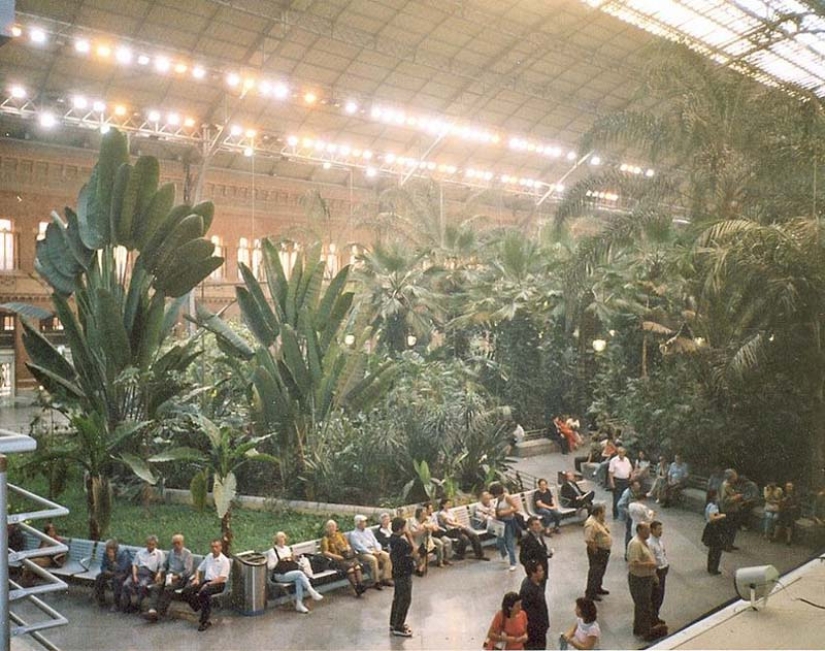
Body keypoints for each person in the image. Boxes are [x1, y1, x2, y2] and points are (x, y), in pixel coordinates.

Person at [265, 531, 323, 613]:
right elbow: (270, 566)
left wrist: (292, 559)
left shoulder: (287, 548)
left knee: (299, 579)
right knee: (300, 574)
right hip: (279, 575)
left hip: (290, 571)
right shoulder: (272, 551)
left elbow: (292, 561)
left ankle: (299, 604)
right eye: (280, 539)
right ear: (276, 540)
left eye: (283, 538)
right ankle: (311, 591)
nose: (282, 541)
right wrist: (280, 561)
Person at [626, 522, 664, 641]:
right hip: (639, 580)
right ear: (640, 530)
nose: (649, 532)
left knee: (643, 605)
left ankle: (639, 628)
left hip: (647, 578)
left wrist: (654, 576)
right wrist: (651, 564)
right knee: (644, 605)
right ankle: (645, 631)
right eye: (647, 530)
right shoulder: (636, 544)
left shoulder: (645, 542)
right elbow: (634, 563)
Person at [182, 539, 230, 632]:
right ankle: (199, 607)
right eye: (212, 547)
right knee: (187, 591)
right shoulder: (209, 557)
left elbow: (222, 578)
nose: (214, 549)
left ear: (220, 548)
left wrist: (208, 584)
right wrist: (196, 579)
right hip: (207, 581)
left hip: (218, 584)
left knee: (204, 592)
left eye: (216, 547)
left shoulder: (224, 561)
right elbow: (199, 569)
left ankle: (204, 621)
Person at [145, 533, 194, 621]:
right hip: (169, 576)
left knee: (168, 589)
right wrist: (160, 572)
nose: (176, 545)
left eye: (178, 543)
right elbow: (164, 565)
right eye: (174, 543)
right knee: (156, 587)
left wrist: (177, 576)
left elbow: (188, 571)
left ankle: (160, 613)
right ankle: (152, 610)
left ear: (182, 543)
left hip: (180, 579)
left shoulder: (187, 554)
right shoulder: (171, 552)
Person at [320, 519, 367, 596]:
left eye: (333, 526)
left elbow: (347, 544)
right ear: (327, 528)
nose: (332, 528)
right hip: (335, 560)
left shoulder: (340, 535)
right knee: (350, 568)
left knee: (357, 566)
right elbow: (325, 552)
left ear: (336, 527)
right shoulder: (325, 539)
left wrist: (347, 549)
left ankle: (360, 585)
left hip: (346, 556)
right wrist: (337, 556)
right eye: (330, 527)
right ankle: (356, 588)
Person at [389, 516, 417, 638]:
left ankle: (394, 622)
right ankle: (399, 626)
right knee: (405, 599)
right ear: (400, 529)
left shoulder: (392, 539)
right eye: (405, 527)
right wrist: (410, 536)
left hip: (397, 571)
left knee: (398, 597)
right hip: (404, 572)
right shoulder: (401, 541)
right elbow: (414, 550)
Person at [122, 534, 163, 612]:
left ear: (156, 545)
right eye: (149, 544)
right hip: (137, 572)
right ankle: (127, 605)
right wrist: (134, 575)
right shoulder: (140, 553)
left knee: (142, 585)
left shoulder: (159, 554)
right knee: (126, 584)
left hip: (148, 574)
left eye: (153, 545)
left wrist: (159, 573)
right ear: (146, 544)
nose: (150, 546)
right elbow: (134, 565)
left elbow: (162, 566)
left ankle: (138, 604)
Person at [350, 514, 394, 588]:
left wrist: (378, 550)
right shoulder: (354, 534)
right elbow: (360, 547)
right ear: (358, 523)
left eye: (364, 522)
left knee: (387, 556)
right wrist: (372, 553)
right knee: (373, 559)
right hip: (363, 553)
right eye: (362, 522)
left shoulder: (368, 530)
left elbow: (375, 541)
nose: (365, 523)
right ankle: (376, 581)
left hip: (373, 548)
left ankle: (386, 578)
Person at [583, 503, 611, 602]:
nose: (605, 514)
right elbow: (588, 539)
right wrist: (595, 550)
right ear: (599, 512)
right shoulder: (591, 523)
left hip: (604, 550)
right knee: (595, 572)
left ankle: (598, 587)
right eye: (604, 511)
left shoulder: (599, 521)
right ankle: (590, 593)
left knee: (601, 571)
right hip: (597, 551)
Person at [490, 481, 521, 571]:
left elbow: (516, 508)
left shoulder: (507, 498)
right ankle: (504, 554)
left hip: (508, 521)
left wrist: (505, 512)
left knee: (509, 542)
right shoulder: (497, 499)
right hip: (500, 521)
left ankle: (513, 562)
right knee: (499, 542)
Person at [520, 559, 549, 650]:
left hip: (540, 626)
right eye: (540, 570)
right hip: (534, 629)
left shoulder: (536, 583)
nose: (543, 572)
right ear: (533, 573)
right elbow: (527, 612)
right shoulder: (528, 590)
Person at [94, 539, 131, 611]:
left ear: (115, 550)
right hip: (111, 572)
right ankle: (101, 600)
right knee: (99, 577)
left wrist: (113, 561)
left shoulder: (123, 554)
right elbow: (103, 565)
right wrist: (105, 571)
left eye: (111, 550)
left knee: (117, 580)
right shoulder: (106, 553)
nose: (108, 552)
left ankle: (116, 603)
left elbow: (123, 568)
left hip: (123, 573)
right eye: (108, 550)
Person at [519, 516, 552, 588]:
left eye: (539, 524)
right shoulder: (526, 539)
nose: (539, 526)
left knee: (542, 590)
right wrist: (532, 569)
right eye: (536, 524)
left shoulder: (539, 535)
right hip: (535, 572)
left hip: (543, 569)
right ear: (530, 527)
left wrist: (547, 554)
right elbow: (522, 558)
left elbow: (541, 550)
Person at [648, 520, 668, 626]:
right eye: (658, 529)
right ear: (652, 530)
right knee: (656, 596)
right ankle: (652, 618)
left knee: (660, 596)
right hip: (657, 572)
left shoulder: (659, 541)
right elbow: (652, 561)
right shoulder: (650, 544)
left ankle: (656, 615)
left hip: (663, 570)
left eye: (661, 529)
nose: (661, 531)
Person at [702, 489, 727, 575]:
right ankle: (714, 568)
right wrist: (722, 516)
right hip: (714, 529)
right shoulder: (714, 506)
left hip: (709, 528)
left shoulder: (708, 505)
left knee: (712, 550)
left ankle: (710, 567)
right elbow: (713, 518)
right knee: (716, 549)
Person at [719, 469, 744, 551]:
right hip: (728, 510)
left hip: (733, 509)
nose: (736, 477)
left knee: (732, 528)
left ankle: (730, 543)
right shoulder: (726, 486)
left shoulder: (730, 485)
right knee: (728, 528)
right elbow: (725, 500)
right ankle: (726, 545)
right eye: (735, 475)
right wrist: (737, 497)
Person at [608, 447, 633, 519]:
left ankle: (624, 514)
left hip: (626, 481)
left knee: (625, 497)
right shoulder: (614, 461)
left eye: (623, 452)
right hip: (617, 481)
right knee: (617, 498)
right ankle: (616, 514)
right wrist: (612, 482)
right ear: (618, 453)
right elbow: (611, 472)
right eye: (620, 452)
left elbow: (630, 469)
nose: (621, 454)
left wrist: (631, 477)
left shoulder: (627, 460)